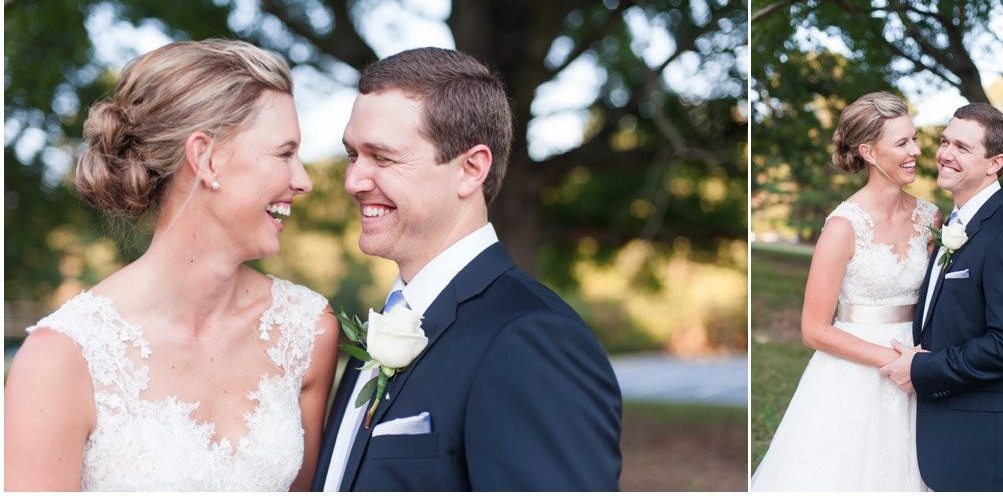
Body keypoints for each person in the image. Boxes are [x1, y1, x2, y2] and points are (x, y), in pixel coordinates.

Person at [3, 39, 340, 491]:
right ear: (206, 157)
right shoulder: (63, 358)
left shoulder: (306, 330)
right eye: (284, 154)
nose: (304, 181)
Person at [311, 47, 622, 491]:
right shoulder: (382, 327)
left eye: (382, 158)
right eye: (352, 155)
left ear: (471, 169)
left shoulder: (532, 339)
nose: (353, 181)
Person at [751, 91, 935, 491]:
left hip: (918, 361)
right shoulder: (842, 227)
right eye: (902, 142)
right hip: (855, 373)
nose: (917, 151)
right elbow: (814, 330)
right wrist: (897, 361)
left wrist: (922, 365)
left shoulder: (931, 218)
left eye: (915, 138)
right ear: (869, 151)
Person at [880, 103, 1003, 491]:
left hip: (980, 443)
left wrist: (923, 369)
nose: (945, 154)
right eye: (944, 141)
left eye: (962, 147)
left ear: (995, 162)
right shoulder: (951, 224)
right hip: (943, 430)